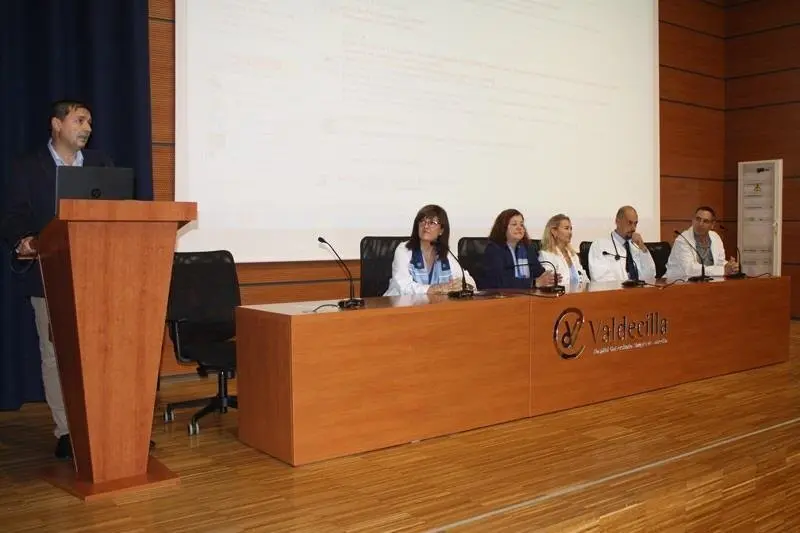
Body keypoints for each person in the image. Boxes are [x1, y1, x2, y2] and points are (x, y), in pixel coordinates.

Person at [1, 100, 113, 459]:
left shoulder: (101, 165)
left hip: (97, 277)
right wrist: (25, 239)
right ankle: (68, 431)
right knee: (56, 356)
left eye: (90, 122)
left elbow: (118, 213)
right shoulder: (26, 167)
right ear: (56, 124)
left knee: (102, 353)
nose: (87, 127)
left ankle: (111, 426)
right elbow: (13, 215)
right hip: (49, 277)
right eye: (80, 120)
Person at [384, 204, 476, 296]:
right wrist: (437, 288)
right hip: (399, 306)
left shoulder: (446, 253)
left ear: (441, 230)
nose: (426, 226)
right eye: (422, 221)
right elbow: (404, 287)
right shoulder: (404, 250)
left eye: (432, 223)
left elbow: (467, 280)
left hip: (431, 307)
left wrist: (462, 285)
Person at [481, 209, 554, 289]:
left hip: (528, 296)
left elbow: (538, 272)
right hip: (503, 298)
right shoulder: (494, 249)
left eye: (521, 225)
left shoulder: (527, 248)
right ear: (503, 227)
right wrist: (533, 283)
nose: (519, 228)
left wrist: (548, 278)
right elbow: (499, 281)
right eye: (514, 224)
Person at [665, 206, 738, 279]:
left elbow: (720, 262)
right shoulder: (682, 240)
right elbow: (690, 269)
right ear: (693, 220)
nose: (700, 224)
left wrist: (730, 266)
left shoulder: (715, 237)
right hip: (678, 283)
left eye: (705, 221)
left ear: (712, 225)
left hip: (706, 282)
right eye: (698, 219)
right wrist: (723, 270)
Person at [588, 205, 656, 283]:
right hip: (615, 293)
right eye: (629, 223)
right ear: (617, 222)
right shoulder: (600, 245)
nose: (633, 228)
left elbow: (651, 275)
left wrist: (642, 247)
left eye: (635, 224)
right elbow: (600, 278)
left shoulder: (636, 247)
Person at [538, 214, 588, 285]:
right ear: (554, 231)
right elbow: (549, 284)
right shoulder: (545, 255)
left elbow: (586, 280)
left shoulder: (573, 255)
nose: (570, 232)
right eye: (566, 228)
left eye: (571, 229)